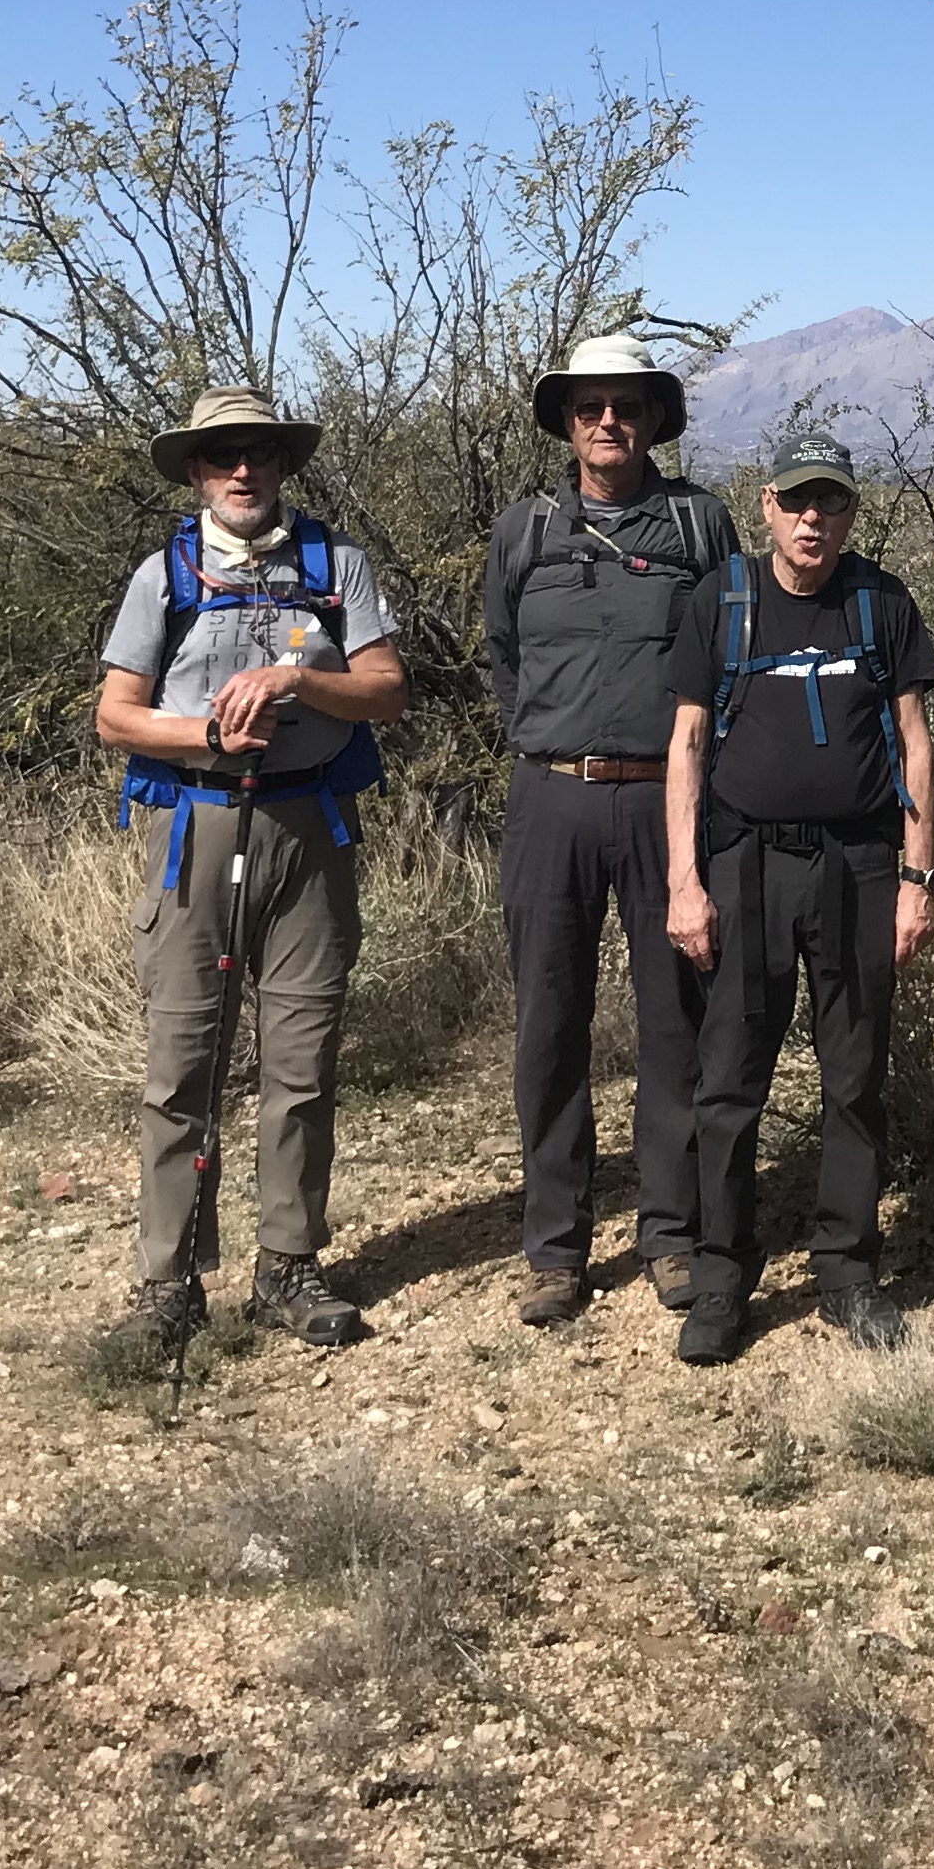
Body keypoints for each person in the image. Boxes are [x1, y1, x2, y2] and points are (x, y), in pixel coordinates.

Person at [91, 388, 411, 1369]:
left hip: (311, 824)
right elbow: (115, 715)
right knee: (183, 1061)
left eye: (260, 454)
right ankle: (169, 1280)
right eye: (224, 455)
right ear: (195, 471)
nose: (243, 471)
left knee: (302, 1059)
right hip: (197, 825)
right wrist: (207, 734)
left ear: (282, 466)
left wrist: (297, 679)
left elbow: (387, 691)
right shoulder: (165, 574)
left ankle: (288, 1265)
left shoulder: (334, 566)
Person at [663, 433, 934, 1365]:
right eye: (796, 501)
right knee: (730, 1078)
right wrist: (683, 881)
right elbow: (686, 744)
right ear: (768, 507)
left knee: (855, 1075)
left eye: (831, 502)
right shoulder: (724, 601)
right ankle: (721, 1276)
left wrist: (917, 878)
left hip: (859, 866)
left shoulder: (879, 602)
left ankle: (848, 1271)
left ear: (852, 512)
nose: (812, 519)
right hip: (746, 866)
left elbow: (914, 742)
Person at [484, 330, 739, 1328]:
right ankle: (555, 1248)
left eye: (626, 406)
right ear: (566, 420)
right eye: (589, 406)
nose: (607, 422)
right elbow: (503, 656)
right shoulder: (525, 530)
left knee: (676, 1020)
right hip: (550, 795)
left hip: (666, 799)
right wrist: (549, 739)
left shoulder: (697, 523)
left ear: (652, 420)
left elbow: (730, 649)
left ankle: (671, 1235)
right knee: (549, 1022)